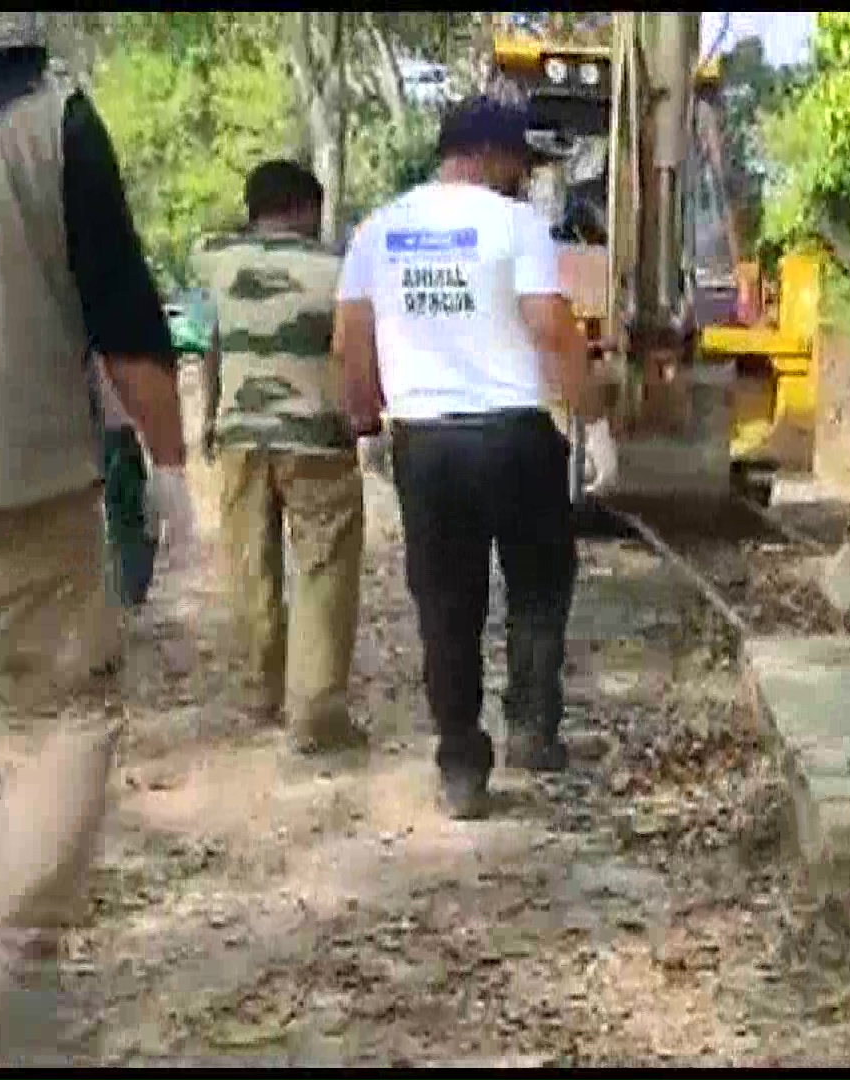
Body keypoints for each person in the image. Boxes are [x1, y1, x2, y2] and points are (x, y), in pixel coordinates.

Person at [0, 15, 194, 1043]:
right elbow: (127, 322)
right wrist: (173, 467)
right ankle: (3, 964)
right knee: (74, 713)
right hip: (24, 487)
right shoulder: (53, 121)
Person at [336, 97, 607, 820]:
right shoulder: (515, 223)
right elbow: (550, 327)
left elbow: (349, 339)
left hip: (425, 444)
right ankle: (531, 728)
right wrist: (593, 416)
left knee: (447, 607)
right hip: (516, 436)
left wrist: (366, 424)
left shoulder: (377, 230)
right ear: (490, 154)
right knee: (540, 585)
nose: (523, 175)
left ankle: (461, 764)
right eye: (519, 161)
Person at [192, 159, 369, 755]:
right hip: (316, 438)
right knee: (324, 568)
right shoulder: (336, 270)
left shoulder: (217, 260)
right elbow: (349, 350)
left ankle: (263, 689)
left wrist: (209, 418)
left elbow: (214, 347)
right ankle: (315, 709)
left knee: (249, 565)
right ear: (303, 207)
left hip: (241, 434)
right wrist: (361, 417)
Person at [91, 358, 158, 609]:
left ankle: (123, 600)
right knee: (133, 523)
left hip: (91, 436)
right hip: (117, 434)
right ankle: (127, 600)